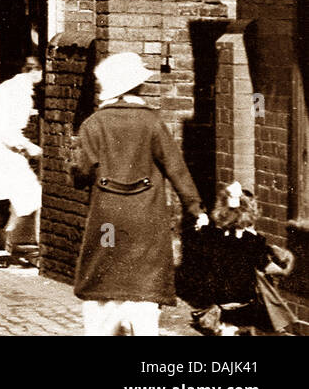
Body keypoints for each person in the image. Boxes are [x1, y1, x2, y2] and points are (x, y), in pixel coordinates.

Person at [70, 51, 207, 336]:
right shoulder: (153, 123)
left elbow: (80, 176)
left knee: (103, 278)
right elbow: (177, 169)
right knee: (144, 295)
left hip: (108, 222)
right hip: (146, 221)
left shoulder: (92, 124)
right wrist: (195, 207)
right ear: (137, 87)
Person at [190, 181, 296, 335]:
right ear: (251, 214)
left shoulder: (213, 236)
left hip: (220, 300)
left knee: (228, 324)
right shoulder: (253, 241)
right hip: (244, 301)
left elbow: (204, 234)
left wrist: (203, 225)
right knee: (261, 312)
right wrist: (284, 269)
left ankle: (226, 329)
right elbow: (266, 266)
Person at [0, 57, 44, 269]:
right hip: (6, 153)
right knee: (35, 196)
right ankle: (38, 250)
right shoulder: (21, 92)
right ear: (35, 71)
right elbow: (8, 129)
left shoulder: (6, 87)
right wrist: (28, 147)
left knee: (0, 204)